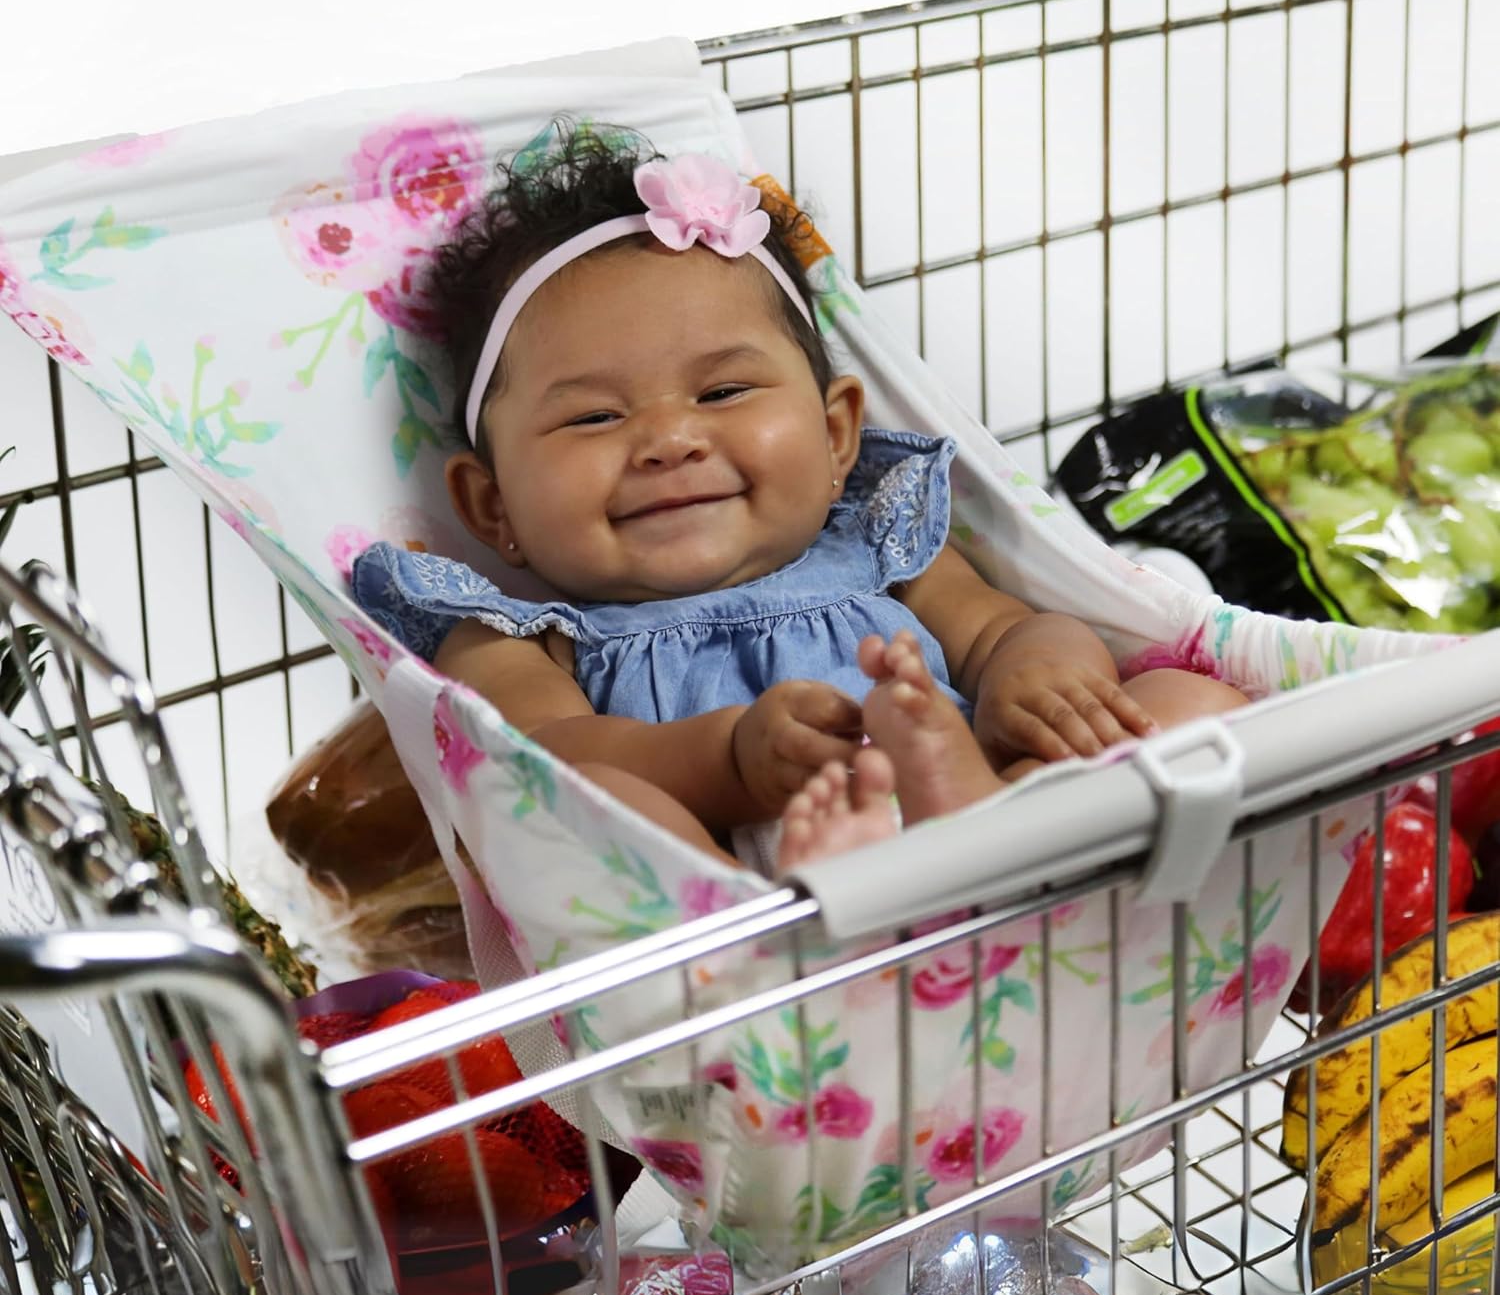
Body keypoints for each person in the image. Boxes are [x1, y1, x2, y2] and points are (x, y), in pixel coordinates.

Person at [353, 122, 1247, 872]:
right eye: (593, 416)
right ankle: (851, 886)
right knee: (596, 806)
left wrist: (1043, 677)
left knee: (1189, 707)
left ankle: (971, 816)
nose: (670, 441)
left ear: (835, 438)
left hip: (984, 856)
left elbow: (1003, 629)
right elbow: (551, 761)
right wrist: (729, 762)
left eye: (723, 393)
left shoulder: (883, 545)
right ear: (492, 506)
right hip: (747, 930)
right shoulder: (520, 639)